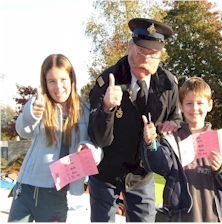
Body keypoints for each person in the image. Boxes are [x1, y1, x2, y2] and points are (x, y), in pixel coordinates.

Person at [87, 18, 182, 222]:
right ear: (130, 46)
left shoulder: (169, 85)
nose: (145, 59)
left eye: (153, 54)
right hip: (106, 172)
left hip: (141, 175)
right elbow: (98, 138)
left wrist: (173, 124)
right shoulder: (107, 81)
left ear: (161, 55)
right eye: (140, 51)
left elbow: (175, 115)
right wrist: (106, 108)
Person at [8, 54, 103, 222]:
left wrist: (89, 149)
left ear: (72, 79)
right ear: (45, 83)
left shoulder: (86, 111)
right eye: (51, 81)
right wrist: (31, 115)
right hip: (26, 190)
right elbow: (23, 130)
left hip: (57, 195)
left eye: (63, 79)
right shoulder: (39, 104)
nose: (58, 87)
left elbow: (98, 148)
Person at [140, 77, 222, 222]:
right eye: (189, 103)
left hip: (214, 216)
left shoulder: (217, 140)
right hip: (182, 217)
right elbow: (160, 165)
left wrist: (220, 168)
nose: (194, 108)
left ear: (209, 105)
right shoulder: (172, 139)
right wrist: (150, 143)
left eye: (200, 103)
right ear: (181, 106)